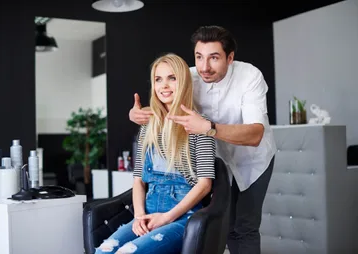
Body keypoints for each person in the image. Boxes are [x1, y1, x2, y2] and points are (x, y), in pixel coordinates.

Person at [129, 26, 276, 254]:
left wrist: (208, 128)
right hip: (214, 159)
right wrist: (136, 114)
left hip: (251, 160)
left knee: (244, 227)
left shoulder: (250, 77)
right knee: (220, 225)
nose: (204, 67)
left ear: (230, 58)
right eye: (199, 57)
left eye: (214, 58)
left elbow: (256, 134)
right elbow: (166, 102)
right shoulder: (189, 75)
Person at [96, 53, 216, 254]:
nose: (164, 85)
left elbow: (205, 185)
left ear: (184, 81)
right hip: (147, 214)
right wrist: (139, 216)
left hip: (182, 217)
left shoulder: (199, 124)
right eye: (158, 79)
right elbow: (138, 181)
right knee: (103, 251)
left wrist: (166, 217)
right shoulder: (148, 127)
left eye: (172, 78)